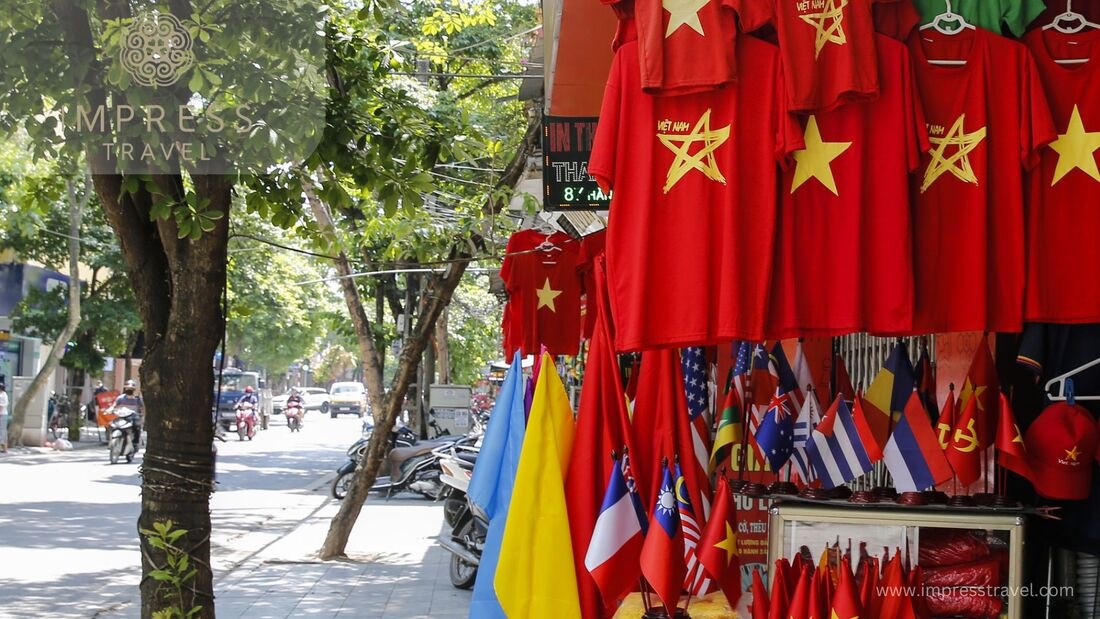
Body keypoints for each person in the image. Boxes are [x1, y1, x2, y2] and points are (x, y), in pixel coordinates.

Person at [113, 379, 144, 449]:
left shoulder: (137, 399)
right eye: (127, 388)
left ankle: (135, 443)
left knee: (137, 427)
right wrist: (109, 410)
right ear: (125, 388)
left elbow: (143, 409)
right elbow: (114, 406)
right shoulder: (120, 398)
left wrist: (143, 417)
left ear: (134, 389)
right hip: (122, 417)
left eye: (131, 389)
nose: (129, 390)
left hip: (133, 418)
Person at [0, 382, 8, 453]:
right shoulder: (4, 394)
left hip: (2, 414)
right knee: (3, 431)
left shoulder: (2, 395)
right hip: (3, 414)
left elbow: (1, 406)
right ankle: (4, 448)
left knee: (2, 431)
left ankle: (2, 446)